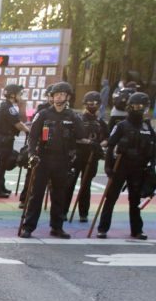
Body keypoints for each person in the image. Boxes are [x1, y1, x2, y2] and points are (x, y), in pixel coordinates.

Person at [19, 82, 86, 238]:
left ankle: (57, 227)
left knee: (59, 195)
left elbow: (81, 135)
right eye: (56, 95)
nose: (58, 98)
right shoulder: (43, 114)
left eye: (62, 95)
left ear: (68, 97)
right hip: (44, 158)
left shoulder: (72, 116)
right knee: (36, 195)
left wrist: (77, 119)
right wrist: (31, 153)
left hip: (63, 160)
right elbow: (33, 136)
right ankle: (28, 227)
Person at [96, 91, 153, 240]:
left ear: (146, 108)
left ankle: (137, 230)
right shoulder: (121, 125)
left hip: (139, 169)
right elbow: (110, 145)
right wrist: (108, 167)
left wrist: (152, 167)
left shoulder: (148, 127)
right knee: (111, 198)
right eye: (135, 106)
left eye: (141, 106)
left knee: (135, 200)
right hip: (120, 167)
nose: (138, 109)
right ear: (129, 107)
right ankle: (102, 228)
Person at [65, 91, 108, 223]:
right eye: (90, 104)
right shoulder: (78, 119)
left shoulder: (101, 122)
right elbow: (73, 137)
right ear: (85, 104)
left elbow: (107, 138)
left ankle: (83, 212)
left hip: (92, 156)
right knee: (69, 183)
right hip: (78, 155)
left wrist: (100, 145)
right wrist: (89, 142)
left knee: (86, 185)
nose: (92, 106)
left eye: (95, 104)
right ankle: (63, 211)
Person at [0, 83, 29, 197]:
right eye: (19, 94)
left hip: (2, 138)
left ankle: (1, 187)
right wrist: (28, 131)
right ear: (12, 95)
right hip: (4, 139)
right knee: (1, 165)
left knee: (2, 164)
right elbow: (18, 124)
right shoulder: (9, 108)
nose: (20, 96)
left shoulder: (5, 105)